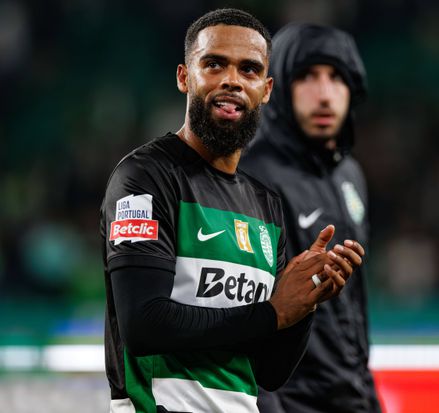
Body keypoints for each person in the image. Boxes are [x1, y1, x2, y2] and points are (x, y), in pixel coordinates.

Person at [99, 9, 365, 413]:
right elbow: (144, 324)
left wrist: (304, 303)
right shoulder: (145, 177)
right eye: (214, 64)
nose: (232, 80)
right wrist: (273, 312)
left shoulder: (265, 204)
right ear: (184, 77)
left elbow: (270, 371)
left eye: (249, 69)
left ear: (266, 89)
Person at [241, 23, 382, 413]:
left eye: (336, 77)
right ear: (276, 87)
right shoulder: (251, 176)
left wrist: (366, 392)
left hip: (351, 392)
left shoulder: (350, 174)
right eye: (306, 76)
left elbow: (351, 303)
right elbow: (244, 312)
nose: (323, 94)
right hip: (290, 399)